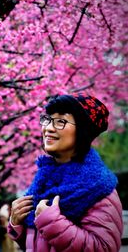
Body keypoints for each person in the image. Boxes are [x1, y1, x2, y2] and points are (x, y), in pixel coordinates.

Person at [7, 93, 123, 252]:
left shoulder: (98, 187)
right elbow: (41, 243)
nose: (48, 128)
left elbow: (103, 248)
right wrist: (17, 224)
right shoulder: (43, 182)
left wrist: (51, 221)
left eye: (60, 121)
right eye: (47, 120)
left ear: (83, 131)